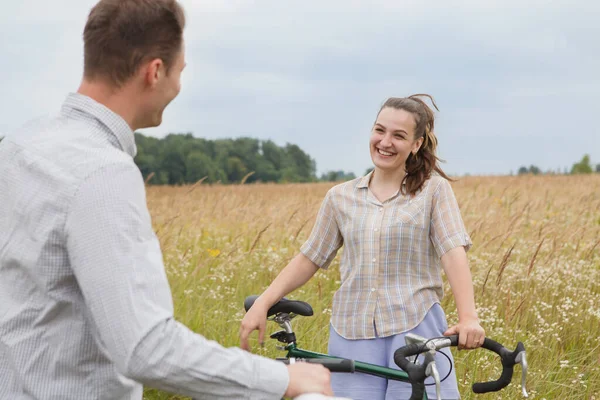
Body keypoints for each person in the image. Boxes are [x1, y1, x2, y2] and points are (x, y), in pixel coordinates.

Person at [0, 1, 334, 399]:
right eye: (180, 71)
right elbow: (145, 347)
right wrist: (284, 380)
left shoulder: (21, 145)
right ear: (154, 72)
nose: (178, 85)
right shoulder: (103, 173)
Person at [240, 94, 485, 399]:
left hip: (415, 330)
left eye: (399, 135)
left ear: (416, 144)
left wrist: (468, 318)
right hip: (351, 331)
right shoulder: (340, 197)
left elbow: (452, 252)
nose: (385, 142)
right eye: (379, 130)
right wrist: (263, 303)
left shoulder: (434, 191)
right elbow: (309, 258)